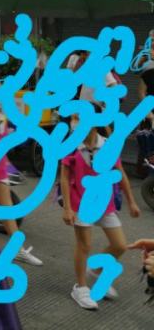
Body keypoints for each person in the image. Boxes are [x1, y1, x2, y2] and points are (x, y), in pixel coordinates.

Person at [60, 109, 140, 310]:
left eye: (79, 118)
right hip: (80, 203)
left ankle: (95, 271)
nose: (75, 123)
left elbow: (121, 173)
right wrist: (67, 208)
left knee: (120, 245)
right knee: (84, 245)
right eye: (74, 118)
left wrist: (131, 201)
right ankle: (80, 287)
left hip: (105, 203)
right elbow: (64, 177)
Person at [0, 104, 42, 266]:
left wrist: (8, 165)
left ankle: (17, 250)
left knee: (6, 210)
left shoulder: (4, 119)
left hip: (0, 168)